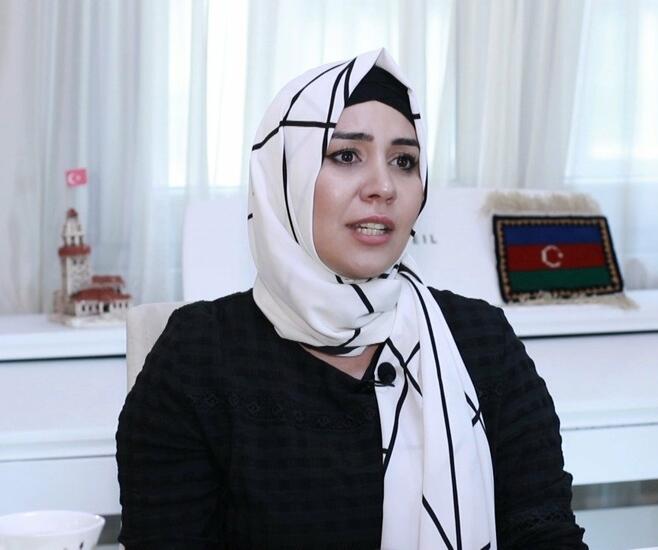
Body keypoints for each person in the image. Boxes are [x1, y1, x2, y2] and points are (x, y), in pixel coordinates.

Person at [116, 48, 587, 549]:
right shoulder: (198, 354)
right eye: (346, 156)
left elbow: (545, 531)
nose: (383, 186)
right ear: (285, 177)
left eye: (404, 161)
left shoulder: (480, 340)